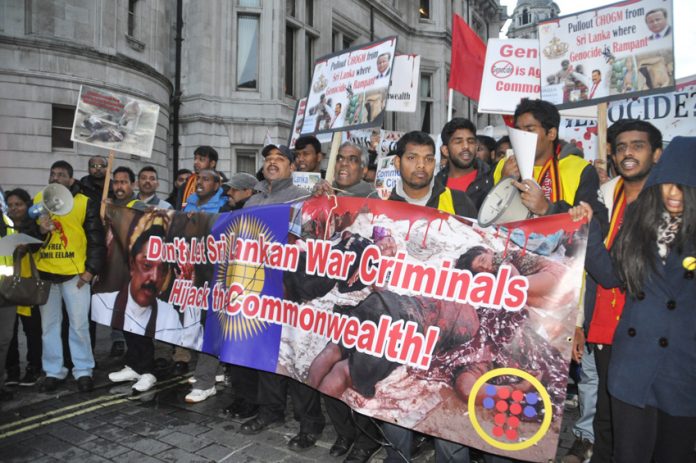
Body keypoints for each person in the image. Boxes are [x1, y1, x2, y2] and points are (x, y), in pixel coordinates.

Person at [571, 136, 696, 463]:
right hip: (634, 369)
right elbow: (611, 276)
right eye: (666, 184)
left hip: (683, 371)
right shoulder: (640, 225)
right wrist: (589, 232)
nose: (672, 193)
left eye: (682, 186)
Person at [382, 130, 477, 463]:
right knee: (393, 414)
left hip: (446, 331)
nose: (420, 166)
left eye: (427, 158)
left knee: (449, 425)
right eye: (411, 158)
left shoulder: (458, 202)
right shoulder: (379, 207)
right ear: (397, 163)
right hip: (397, 330)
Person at [240, 144, 325, 453]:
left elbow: (316, 237)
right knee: (266, 354)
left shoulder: (304, 197)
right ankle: (271, 411)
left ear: (292, 167)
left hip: (292, 291)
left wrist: (321, 194)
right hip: (258, 288)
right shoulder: (251, 200)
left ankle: (309, 423)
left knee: (295, 357)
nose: (272, 163)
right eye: (268, 159)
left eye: (279, 159)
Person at [94, 223, 203, 393]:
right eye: (146, 265)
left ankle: (147, 372)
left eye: (160, 268)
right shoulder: (109, 300)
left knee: (142, 329)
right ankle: (134, 366)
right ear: (132, 262)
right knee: (129, 328)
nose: (153, 276)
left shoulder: (169, 312)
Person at [33, 161, 105, 393]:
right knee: (49, 327)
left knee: (79, 325)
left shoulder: (84, 202)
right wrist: (39, 231)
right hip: (45, 274)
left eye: (61, 175)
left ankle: (83, 370)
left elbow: (96, 239)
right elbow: (27, 236)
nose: (55, 178)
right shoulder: (38, 201)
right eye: (52, 174)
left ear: (71, 180)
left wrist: (90, 270)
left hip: (76, 277)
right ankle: (54, 371)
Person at [494, 99, 608, 235]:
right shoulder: (503, 165)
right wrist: (504, 183)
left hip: (560, 253)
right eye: (518, 131)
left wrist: (547, 208)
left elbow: (598, 225)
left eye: (529, 130)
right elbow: (485, 216)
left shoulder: (580, 169)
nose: (521, 136)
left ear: (551, 133)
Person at [182, 169, 227, 403]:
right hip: (194, 276)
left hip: (217, 275)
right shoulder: (188, 205)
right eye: (198, 179)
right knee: (200, 323)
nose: (200, 183)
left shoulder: (225, 207)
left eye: (206, 179)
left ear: (218, 184)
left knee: (212, 326)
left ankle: (205, 381)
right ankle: (217, 371)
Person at [3, 189, 43, 387]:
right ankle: (12, 371)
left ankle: (34, 368)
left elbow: (38, 246)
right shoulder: (4, 226)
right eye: (10, 205)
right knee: (8, 333)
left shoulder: (34, 226)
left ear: (27, 205)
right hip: (7, 287)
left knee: (32, 330)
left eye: (18, 204)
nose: (14, 208)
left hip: (29, 287)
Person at [436, 118, 493, 209]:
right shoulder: (435, 185)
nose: (466, 146)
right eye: (458, 142)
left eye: (471, 141)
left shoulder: (491, 180)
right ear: (445, 150)